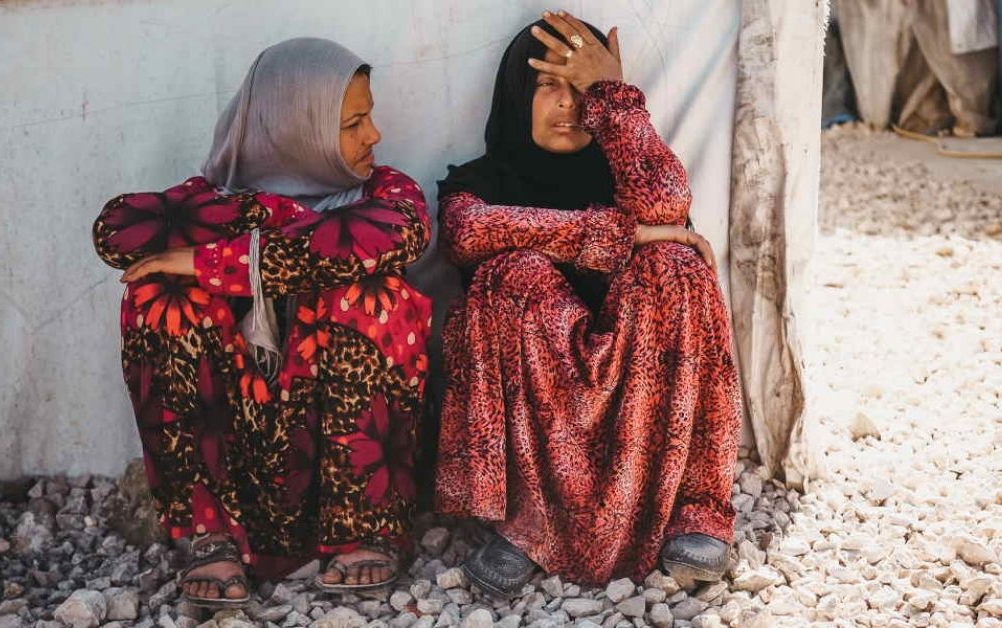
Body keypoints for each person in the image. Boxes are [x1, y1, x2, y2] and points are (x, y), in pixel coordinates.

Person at [92, 38, 432, 605]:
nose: (373, 135)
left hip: (339, 466)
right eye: (354, 123)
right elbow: (116, 232)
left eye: (367, 118)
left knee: (373, 293)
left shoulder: (385, 193)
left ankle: (362, 530)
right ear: (291, 134)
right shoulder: (210, 196)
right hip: (242, 452)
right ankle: (213, 537)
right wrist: (269, 211)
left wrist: (213, 260)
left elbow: (393, 236)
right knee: (157, 293)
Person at [434, 11, 743, 595]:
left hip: (639, 402)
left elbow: (666, 206)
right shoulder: (479, 180)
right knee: (514, 277)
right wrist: (619, 236)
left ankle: (693, 512)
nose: (569, 105)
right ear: (518, 93)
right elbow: (469, 233)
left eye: (582, 88)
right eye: (551, 85)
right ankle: (529, 524)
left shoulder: (622, 170)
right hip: (540, 413)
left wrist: (616, 99)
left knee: (678, 266)